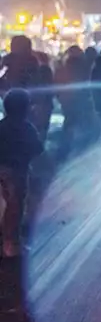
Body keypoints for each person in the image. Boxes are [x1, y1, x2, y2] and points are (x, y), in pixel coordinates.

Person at [0, 89, 42, 258]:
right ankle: (11, 243)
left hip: (2, 169)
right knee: (15, 207)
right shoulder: (27, 128)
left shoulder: (2, 126)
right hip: (18, 172)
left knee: (7, 205)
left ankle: (7, 240)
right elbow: (37, 150)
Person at [55, 46, 96, 158]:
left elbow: (57, 88)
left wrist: (62, 99)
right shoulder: (85, 68)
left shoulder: (62, 70)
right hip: (81, 103)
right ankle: (85, 151)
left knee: (69, 127)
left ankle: (63, 153)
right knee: (84, 127)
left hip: (69, 103)